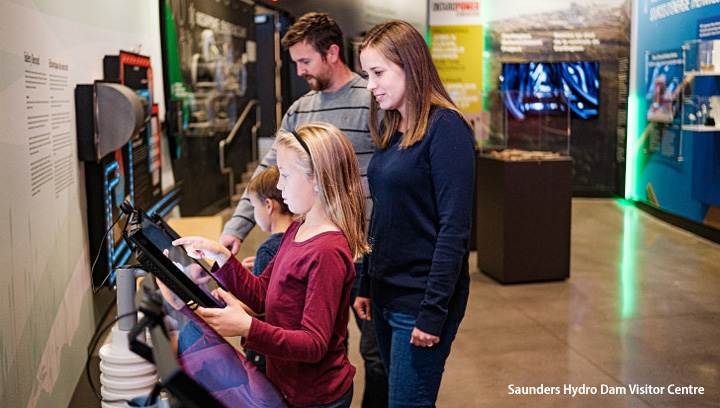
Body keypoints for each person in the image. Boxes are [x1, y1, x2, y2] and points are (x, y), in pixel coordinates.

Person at [219, 12, 388, 407]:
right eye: (294, 63)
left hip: (365, 250)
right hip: (313, 242)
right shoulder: (299, 111)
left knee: (372, 356)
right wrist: (236, 228)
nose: (300, 71)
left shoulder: (373, 101)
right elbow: (267, 174)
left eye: (305, 61)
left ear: (332, 52)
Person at [174, 122, 369, 408]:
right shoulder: (297, 229)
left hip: (316, 397)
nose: (278, 185)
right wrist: (223, 258)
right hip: (288, 386)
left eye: (286, 176)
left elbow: (314, 344)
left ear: (318, 180)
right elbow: (263, 293)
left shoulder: (327, 251)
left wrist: (248, 327)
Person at [353, 20, 476, 408]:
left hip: (420, 302)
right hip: (386, 293)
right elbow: (383, 217)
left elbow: (454, 231)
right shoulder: (394, 127)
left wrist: (432, 312)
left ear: (411, 65)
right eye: (366, 74)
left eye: (378, 73)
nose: (370, 85)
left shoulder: (447, 128)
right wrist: (366, 283)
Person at [240, 165, 294, 373]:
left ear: (269, 205)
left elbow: (259, 304)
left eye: (254, 206)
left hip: (267, 351)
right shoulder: (297, 235)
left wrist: (221, 304)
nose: (254, 214)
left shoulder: (267, 250)